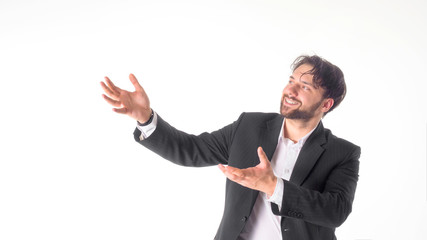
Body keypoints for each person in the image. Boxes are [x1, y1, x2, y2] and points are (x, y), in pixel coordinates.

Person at [100, 55, 360, 240]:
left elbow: (334, 212)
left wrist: (273, 186)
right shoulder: (250, 126)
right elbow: (190, 150)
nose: (291, 90)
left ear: (326, 104)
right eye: (291, 80)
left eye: (304, 87)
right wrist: (145, 118)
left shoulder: (343, 153)